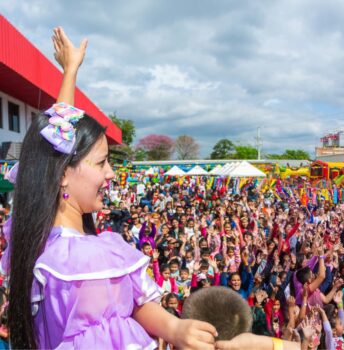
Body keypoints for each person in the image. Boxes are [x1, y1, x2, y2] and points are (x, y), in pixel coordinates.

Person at [2, 27, 217, 349]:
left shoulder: (37, 239)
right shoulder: (85, 262)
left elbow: (53, 150)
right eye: (102, 162)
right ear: (63, 174)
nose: (112, 173)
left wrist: (173, 328)